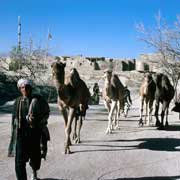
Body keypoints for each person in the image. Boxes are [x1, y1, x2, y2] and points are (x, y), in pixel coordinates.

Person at [8, 79, 50, 180]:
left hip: (35, 133)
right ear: (20, 89)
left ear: (31, 88)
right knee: (19, 161)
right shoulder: (17, 102)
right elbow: (14, 120)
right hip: (21, 134)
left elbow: (46, 112)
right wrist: (14, 134)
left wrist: (39, 121)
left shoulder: (38, 99)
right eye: (22, 88)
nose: (25, 89)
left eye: (27, 87)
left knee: (35, 157)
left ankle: (34, 172)